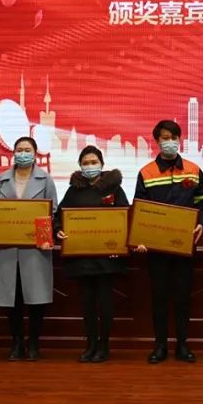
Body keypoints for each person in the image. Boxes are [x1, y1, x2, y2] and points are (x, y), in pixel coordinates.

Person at [133, 120, 203, 364]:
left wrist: (202, 222)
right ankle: (160, 346)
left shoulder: (194, 170)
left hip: (184, 247)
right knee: (160, 298)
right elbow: (140, 209)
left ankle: (183, 345)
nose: (170, 142)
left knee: (183, 297)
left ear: (180, 139)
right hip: (156, 249)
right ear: (157, 141)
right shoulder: (146, 173)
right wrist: (141, 238)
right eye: (165, 138)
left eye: (174, 137)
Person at [0, 137, 59, 362]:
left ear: (35, 153)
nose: (23, 154)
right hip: (6, 249)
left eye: (27, 150)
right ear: (13, 153)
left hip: (35, 248)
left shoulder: (46, 179)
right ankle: (16, 343)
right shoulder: (2, 179)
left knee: (36, 299)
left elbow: (52, 211)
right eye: (19, 150)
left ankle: (33, 343)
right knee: (12, 297)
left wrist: (46, 235)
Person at [55, 145, 129, 363]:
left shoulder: (114, 188)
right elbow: (60, 216)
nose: (90, 166)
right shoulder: (73, 190)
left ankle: (104, 346)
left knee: (105, 304)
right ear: (80, 166)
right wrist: (58, 229)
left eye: (94, 162)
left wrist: (119, 243)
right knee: (87, 305)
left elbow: (125, 216)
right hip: (82, 257)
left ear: (102, 164)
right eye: (85, 163)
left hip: (106, 258)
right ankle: (90, 345)